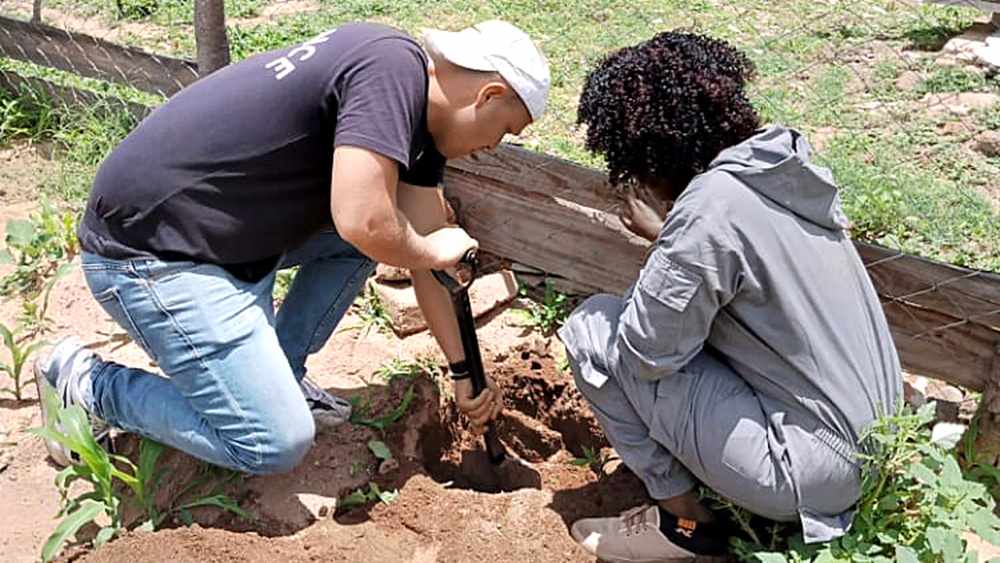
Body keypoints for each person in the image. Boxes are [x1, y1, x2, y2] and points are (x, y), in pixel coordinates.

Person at [35, 20, 549, 475]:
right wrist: (430, 251)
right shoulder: (390, 68)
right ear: (489, 95)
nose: (493, 148)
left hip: (218, 237)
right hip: (151, 252)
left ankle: (280, 374)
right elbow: (366, 221)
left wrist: (463, 374)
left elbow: (427, 262)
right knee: (273, 443)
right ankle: (87, 384)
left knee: (382, 238)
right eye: (505, 130)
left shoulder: (415, 117)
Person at [560, 32, 901, 561]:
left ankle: (686, 529)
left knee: (594, 329)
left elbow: (648, 352)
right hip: (879, 444)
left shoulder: (708, 207)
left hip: (812, 468)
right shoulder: (775, 169)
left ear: (648, 153)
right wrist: (672, 236)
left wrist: (671, 234)